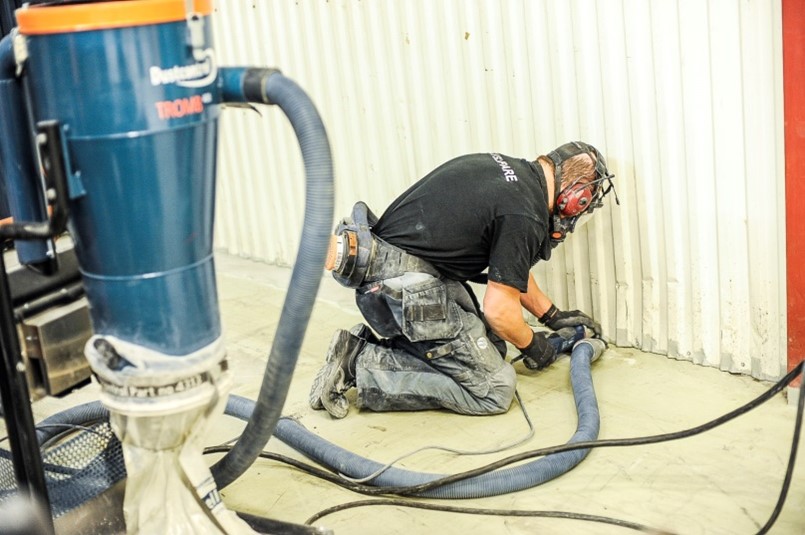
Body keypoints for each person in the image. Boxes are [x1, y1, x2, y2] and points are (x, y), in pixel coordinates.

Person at [309, 141, 617, 419]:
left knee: (493, 349)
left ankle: (375, 349)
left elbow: (511, 271)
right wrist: (535, 346)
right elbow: (498, 311)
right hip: (403, 285)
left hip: (403, 271)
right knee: (494, 388)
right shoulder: (525, 215)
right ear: (576, 197)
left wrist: (552, 316)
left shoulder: (512, 175)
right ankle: (359, 364)